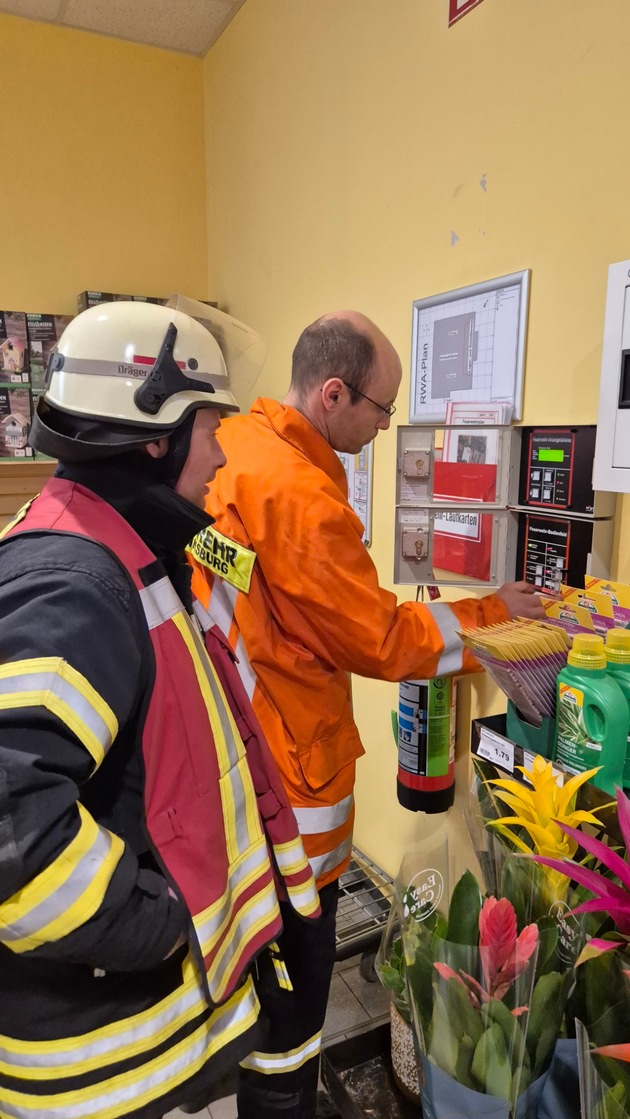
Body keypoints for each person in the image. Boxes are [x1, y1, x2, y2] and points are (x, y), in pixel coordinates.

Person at [188, 309, 547, 1119]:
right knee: (295, 1001)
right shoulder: (304, 496)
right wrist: (493, 615)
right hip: (295, 791)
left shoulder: (235, 447)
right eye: (381, 411)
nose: (385, 430)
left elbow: (246, 583)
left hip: (234, 756)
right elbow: (380, 638)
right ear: (333, 392)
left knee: (257, 984)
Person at [0, 300, 321, 1119]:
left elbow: (239, 571)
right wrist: (164, 920)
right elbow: (14, 834)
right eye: (212, 426)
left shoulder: (128, 527)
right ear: (156, 435)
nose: (224, 451)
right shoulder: (76, 584)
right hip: (103, 1064)